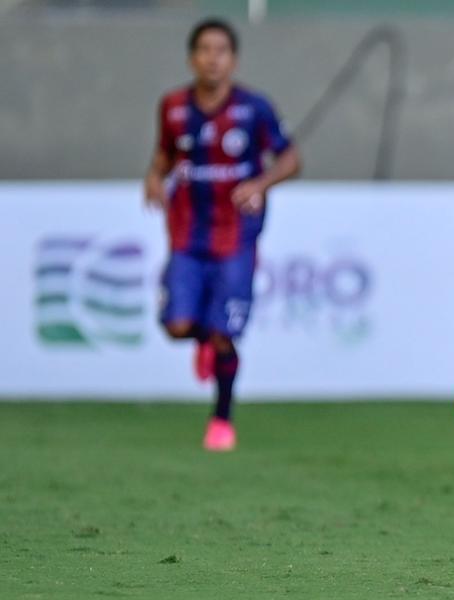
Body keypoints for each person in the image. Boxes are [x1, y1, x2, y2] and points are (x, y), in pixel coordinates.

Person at [143, 18, 301, 451]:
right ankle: (202, 342)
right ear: (192, 57)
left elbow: (290, 160)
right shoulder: (173, 106)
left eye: (222, 50)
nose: (213, 58)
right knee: (176, 326)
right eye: (205, 50)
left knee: (224, 332)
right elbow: (164, 154)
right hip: (187, 234)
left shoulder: (254, 108)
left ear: (233, 60)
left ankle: (221, 419)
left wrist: (259, 184)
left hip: (236, 237)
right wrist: (154, 178)